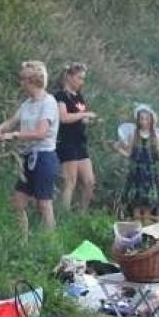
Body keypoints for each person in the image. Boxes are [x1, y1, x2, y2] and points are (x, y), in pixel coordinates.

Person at [0, 61, 59, 237]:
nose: (20, 83)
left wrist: (14, 135)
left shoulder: (49, 102)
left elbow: (41, 133)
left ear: (33, 80)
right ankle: (23, 239)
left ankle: (50, 243)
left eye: (22, 79)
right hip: (27, 157)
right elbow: (12, 121)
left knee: (44, 204)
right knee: (18, 203)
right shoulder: (27, 104)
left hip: (44, 157)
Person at [53, 63, 97, 213]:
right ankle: (63, 215)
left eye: (83, 79)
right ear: (69, 77)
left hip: (80, 142)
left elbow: (79, 117)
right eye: (79, 78)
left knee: (89, 181)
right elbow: (63, 117)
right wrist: (83, 115)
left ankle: (81, 213)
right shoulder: (60, 96)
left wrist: (88, 120)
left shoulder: (79, 97)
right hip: (66, 141)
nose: (81, 82)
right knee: (69, 181)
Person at [114, 105, 159, 219]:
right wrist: (119, 149)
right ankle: (136, 227)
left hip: (149, 174)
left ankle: (146, 230)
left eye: (146, 119)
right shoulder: (134, 135)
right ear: (137, 120)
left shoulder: (155, 136)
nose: (144, 121)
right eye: (141, 119)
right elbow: (130, 154)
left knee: (148, 204)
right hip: (136, 174)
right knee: (136, 205)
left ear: (151, 120)